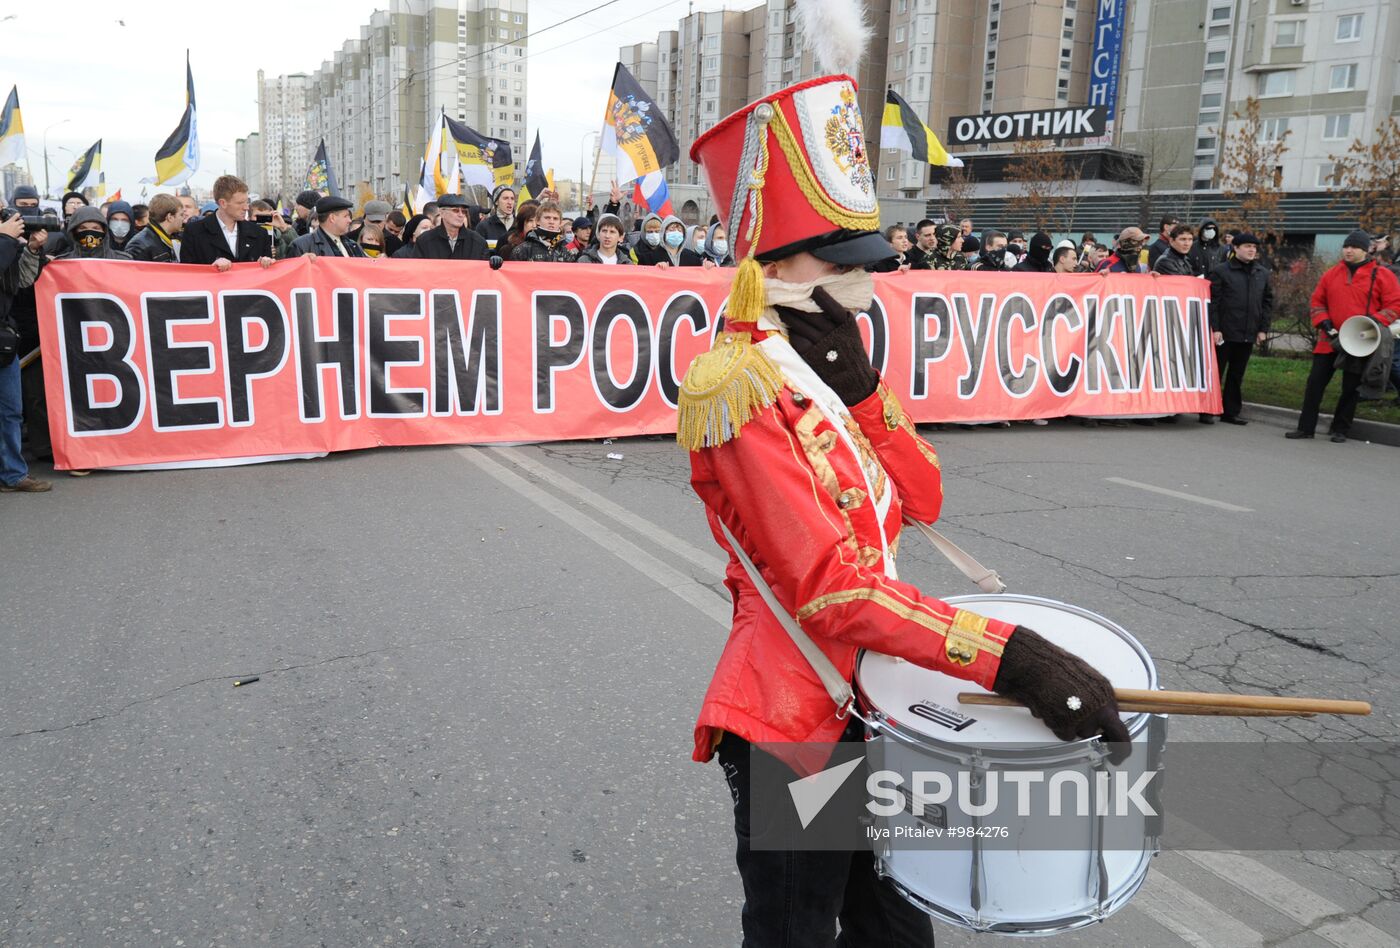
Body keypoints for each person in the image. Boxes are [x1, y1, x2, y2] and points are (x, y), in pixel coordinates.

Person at [684, 70, 1129, 948]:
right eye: (839, 264)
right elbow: (830, 588)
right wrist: (1009, 658)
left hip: (879, 696)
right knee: (795, 930)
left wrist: (861, 391)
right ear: (771, 267)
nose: (860, 283)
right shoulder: (738, 386)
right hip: (795, 717)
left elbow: (923, 496)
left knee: (896, 929)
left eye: (864, 265)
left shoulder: (823, 367)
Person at [1287, 231, 1400, 442]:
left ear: (1366, 250)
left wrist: (1373, 322)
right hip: (1329, 339)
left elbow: (1395, 305)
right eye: (1346, 246)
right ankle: (1305, 428)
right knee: (1315, 384)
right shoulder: (1331, 274)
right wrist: (1325, 323)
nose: (1348, 250)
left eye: (1354, 247)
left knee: (1351, 387)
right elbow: (1317, 301)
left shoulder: (1382, 275)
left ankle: (1341, 429)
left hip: (1360, 341)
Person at [0, 210, 50, 493]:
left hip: (5, 337)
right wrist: (6, 239)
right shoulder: (5, 240)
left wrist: (31, 250)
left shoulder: (6, 242)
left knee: (11, 411)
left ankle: (13, 474)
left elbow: (20, 281)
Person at [1205, 233, 1273, 425]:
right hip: (1225, 332)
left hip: (1248, 332)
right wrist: (1215, 328)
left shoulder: (1261, 273)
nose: (1252, 250)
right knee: (1216, 372)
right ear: (1235, 248)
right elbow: (1213, 302)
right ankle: (1207, 409)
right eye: (1247, 246)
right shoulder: (1221, 271)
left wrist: (1263, 329)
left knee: (1237, 374)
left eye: (1254, 247)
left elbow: (1267, 302)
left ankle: (1230, 412)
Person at [178, 175, 274, 270]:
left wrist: (267, 264)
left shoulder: (259, 233)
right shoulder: (194, 232)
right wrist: (211, 269)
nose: (246, 207)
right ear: (223, 203)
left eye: (247, 202)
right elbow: (187, 272)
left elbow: (268, 274)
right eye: (240, 203)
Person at [412, 193, 491, 261]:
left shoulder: (478, 242)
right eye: (455, 210)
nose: (461, 215)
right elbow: (417, 270)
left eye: (464, 211)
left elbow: (483, 271)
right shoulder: (424, 241)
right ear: (442, 213)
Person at [286, 196, 367, 258]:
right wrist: (302, 263)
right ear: (332, 218)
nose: (349, 220)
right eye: (345, 216)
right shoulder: (301, 246)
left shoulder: (353, 245)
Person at [510, 201, 577, 262]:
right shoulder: (522, 250)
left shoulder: (569, 250)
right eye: (547, 218)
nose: (551, 222)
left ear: (560, 223)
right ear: (537, 221)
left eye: (555, 219)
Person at [124, 193, 185, 262]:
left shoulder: (170, 239)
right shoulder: (139, 246)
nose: (183, 218)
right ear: (170, 217)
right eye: (181, 215)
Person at [56, 207, 131, 260]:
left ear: (104, 231)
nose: (89, 232)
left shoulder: (122, 261)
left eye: (95, 228)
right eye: (83, 228)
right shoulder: (63, 262)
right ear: (74, 232)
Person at [475, 185, 516, 250]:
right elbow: (478, 252)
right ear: (496, 201)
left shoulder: (521, 224)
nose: (510, 202)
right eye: (505, 198)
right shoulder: (483, 226)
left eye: (512, 199)